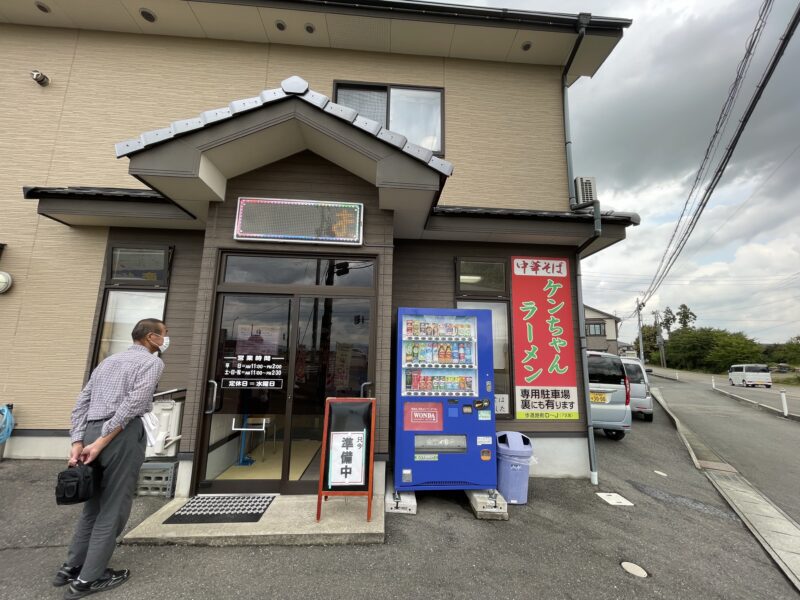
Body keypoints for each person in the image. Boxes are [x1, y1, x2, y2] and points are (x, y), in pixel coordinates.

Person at [53, 318, 169, 599]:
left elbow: (82, 401)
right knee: (115, 505)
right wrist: (104, 439)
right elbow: (135, 403)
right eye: (164, 335)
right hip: (120, 434)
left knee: (93, 505)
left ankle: (72, 566)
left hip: (92, 429)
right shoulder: (152, 363)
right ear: (151, 337)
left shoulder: (108, 362)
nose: (166, 340)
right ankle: (88, 579)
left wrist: (78, 441)